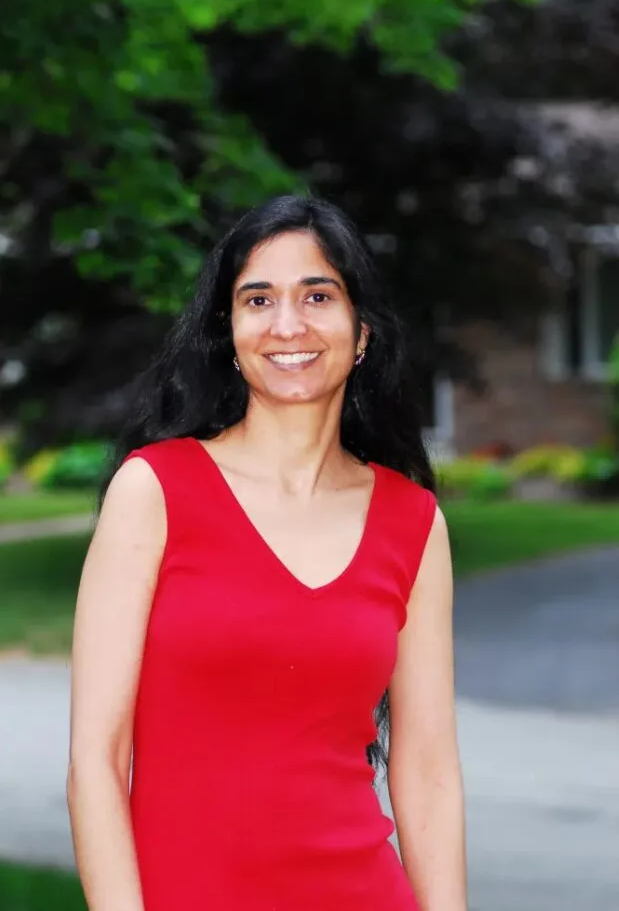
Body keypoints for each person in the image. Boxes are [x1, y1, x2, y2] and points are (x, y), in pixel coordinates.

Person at [66, 194, 466, 911]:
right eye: (258, 299)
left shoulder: (413, 521)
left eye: (318, 295)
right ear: (231, 330)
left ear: (361, 330)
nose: (288, 325)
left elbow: (427, 766)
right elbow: (97, 760)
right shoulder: (154, 491)